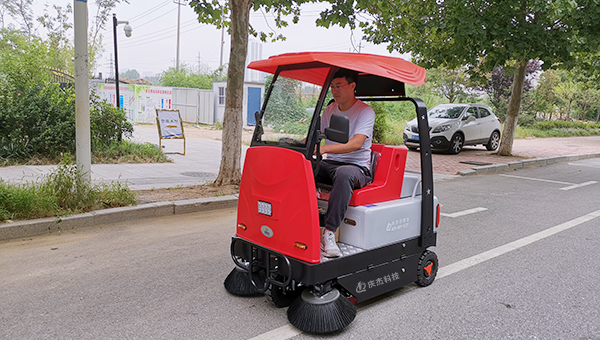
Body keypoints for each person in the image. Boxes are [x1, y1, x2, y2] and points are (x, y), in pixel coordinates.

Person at [317, 68, 375, 258]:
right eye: (332, 86)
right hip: (331, 164)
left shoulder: (365, 112)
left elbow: (356, 144)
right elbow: (319, 137)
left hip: (357, 168)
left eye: (339, 86)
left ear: (352, 86)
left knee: (344, 174)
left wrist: (324, 149)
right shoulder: (329, 110)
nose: (334, 90)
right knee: (302, 166)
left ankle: (329, 233)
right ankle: (298, 221)